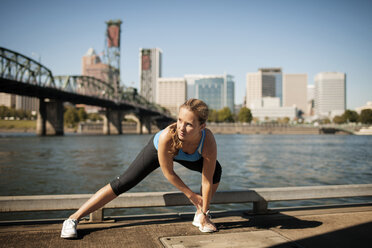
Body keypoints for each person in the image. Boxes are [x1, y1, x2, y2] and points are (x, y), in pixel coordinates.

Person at [61, 98, 222, 238]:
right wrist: (191, 195)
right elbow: (168, 173)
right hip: (156, 150)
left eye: (189, 124)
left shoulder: (208, 140)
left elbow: (206, 180)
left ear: (202, 126)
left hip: (188, 156)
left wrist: (204, 211)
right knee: (123, 183)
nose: (181, 127)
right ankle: (73, 219)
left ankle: (201, 216)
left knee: (216, 170)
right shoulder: (167, 136)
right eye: (179, 120)